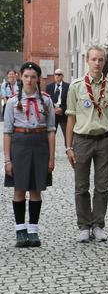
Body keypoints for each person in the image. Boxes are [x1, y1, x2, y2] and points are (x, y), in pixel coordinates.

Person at [65, 46, 108, 244]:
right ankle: (83, 226)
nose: (98, 63)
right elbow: (70, 118)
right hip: (82, 140)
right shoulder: (76, 86)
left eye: (101, 60)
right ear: (87, 60)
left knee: (102, 187)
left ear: (105, 62)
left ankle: (98, 225)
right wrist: (69, 147)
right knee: (81, 186)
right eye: (94, 59)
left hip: (104, 140)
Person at [3, 62, 56, 247]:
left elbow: (51, 130)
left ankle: (33, 230)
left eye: (33, 77)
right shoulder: (12, 102)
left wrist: (52, 157)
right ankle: (20, 230)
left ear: (38, 79)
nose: (29, 80)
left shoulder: (46, 101)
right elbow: (7, 132)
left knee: (36, 188)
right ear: (20, 77)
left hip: (40, 146)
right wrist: (7, 160)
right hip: (20, 146)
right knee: (19, 189)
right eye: (26, 76)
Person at [45, 69, 69, 145]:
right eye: (56, 74)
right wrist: (53, 109)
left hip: (64, 114)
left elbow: (70, 101)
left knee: (67, 134)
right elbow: (47, 100)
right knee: (51, 134)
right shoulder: (49, 87)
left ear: (62, 76)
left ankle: (68, 149)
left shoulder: (68, 86)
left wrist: (62, 109)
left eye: (59, 74)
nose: (57, 76)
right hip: (53, 114)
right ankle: (49, 151)